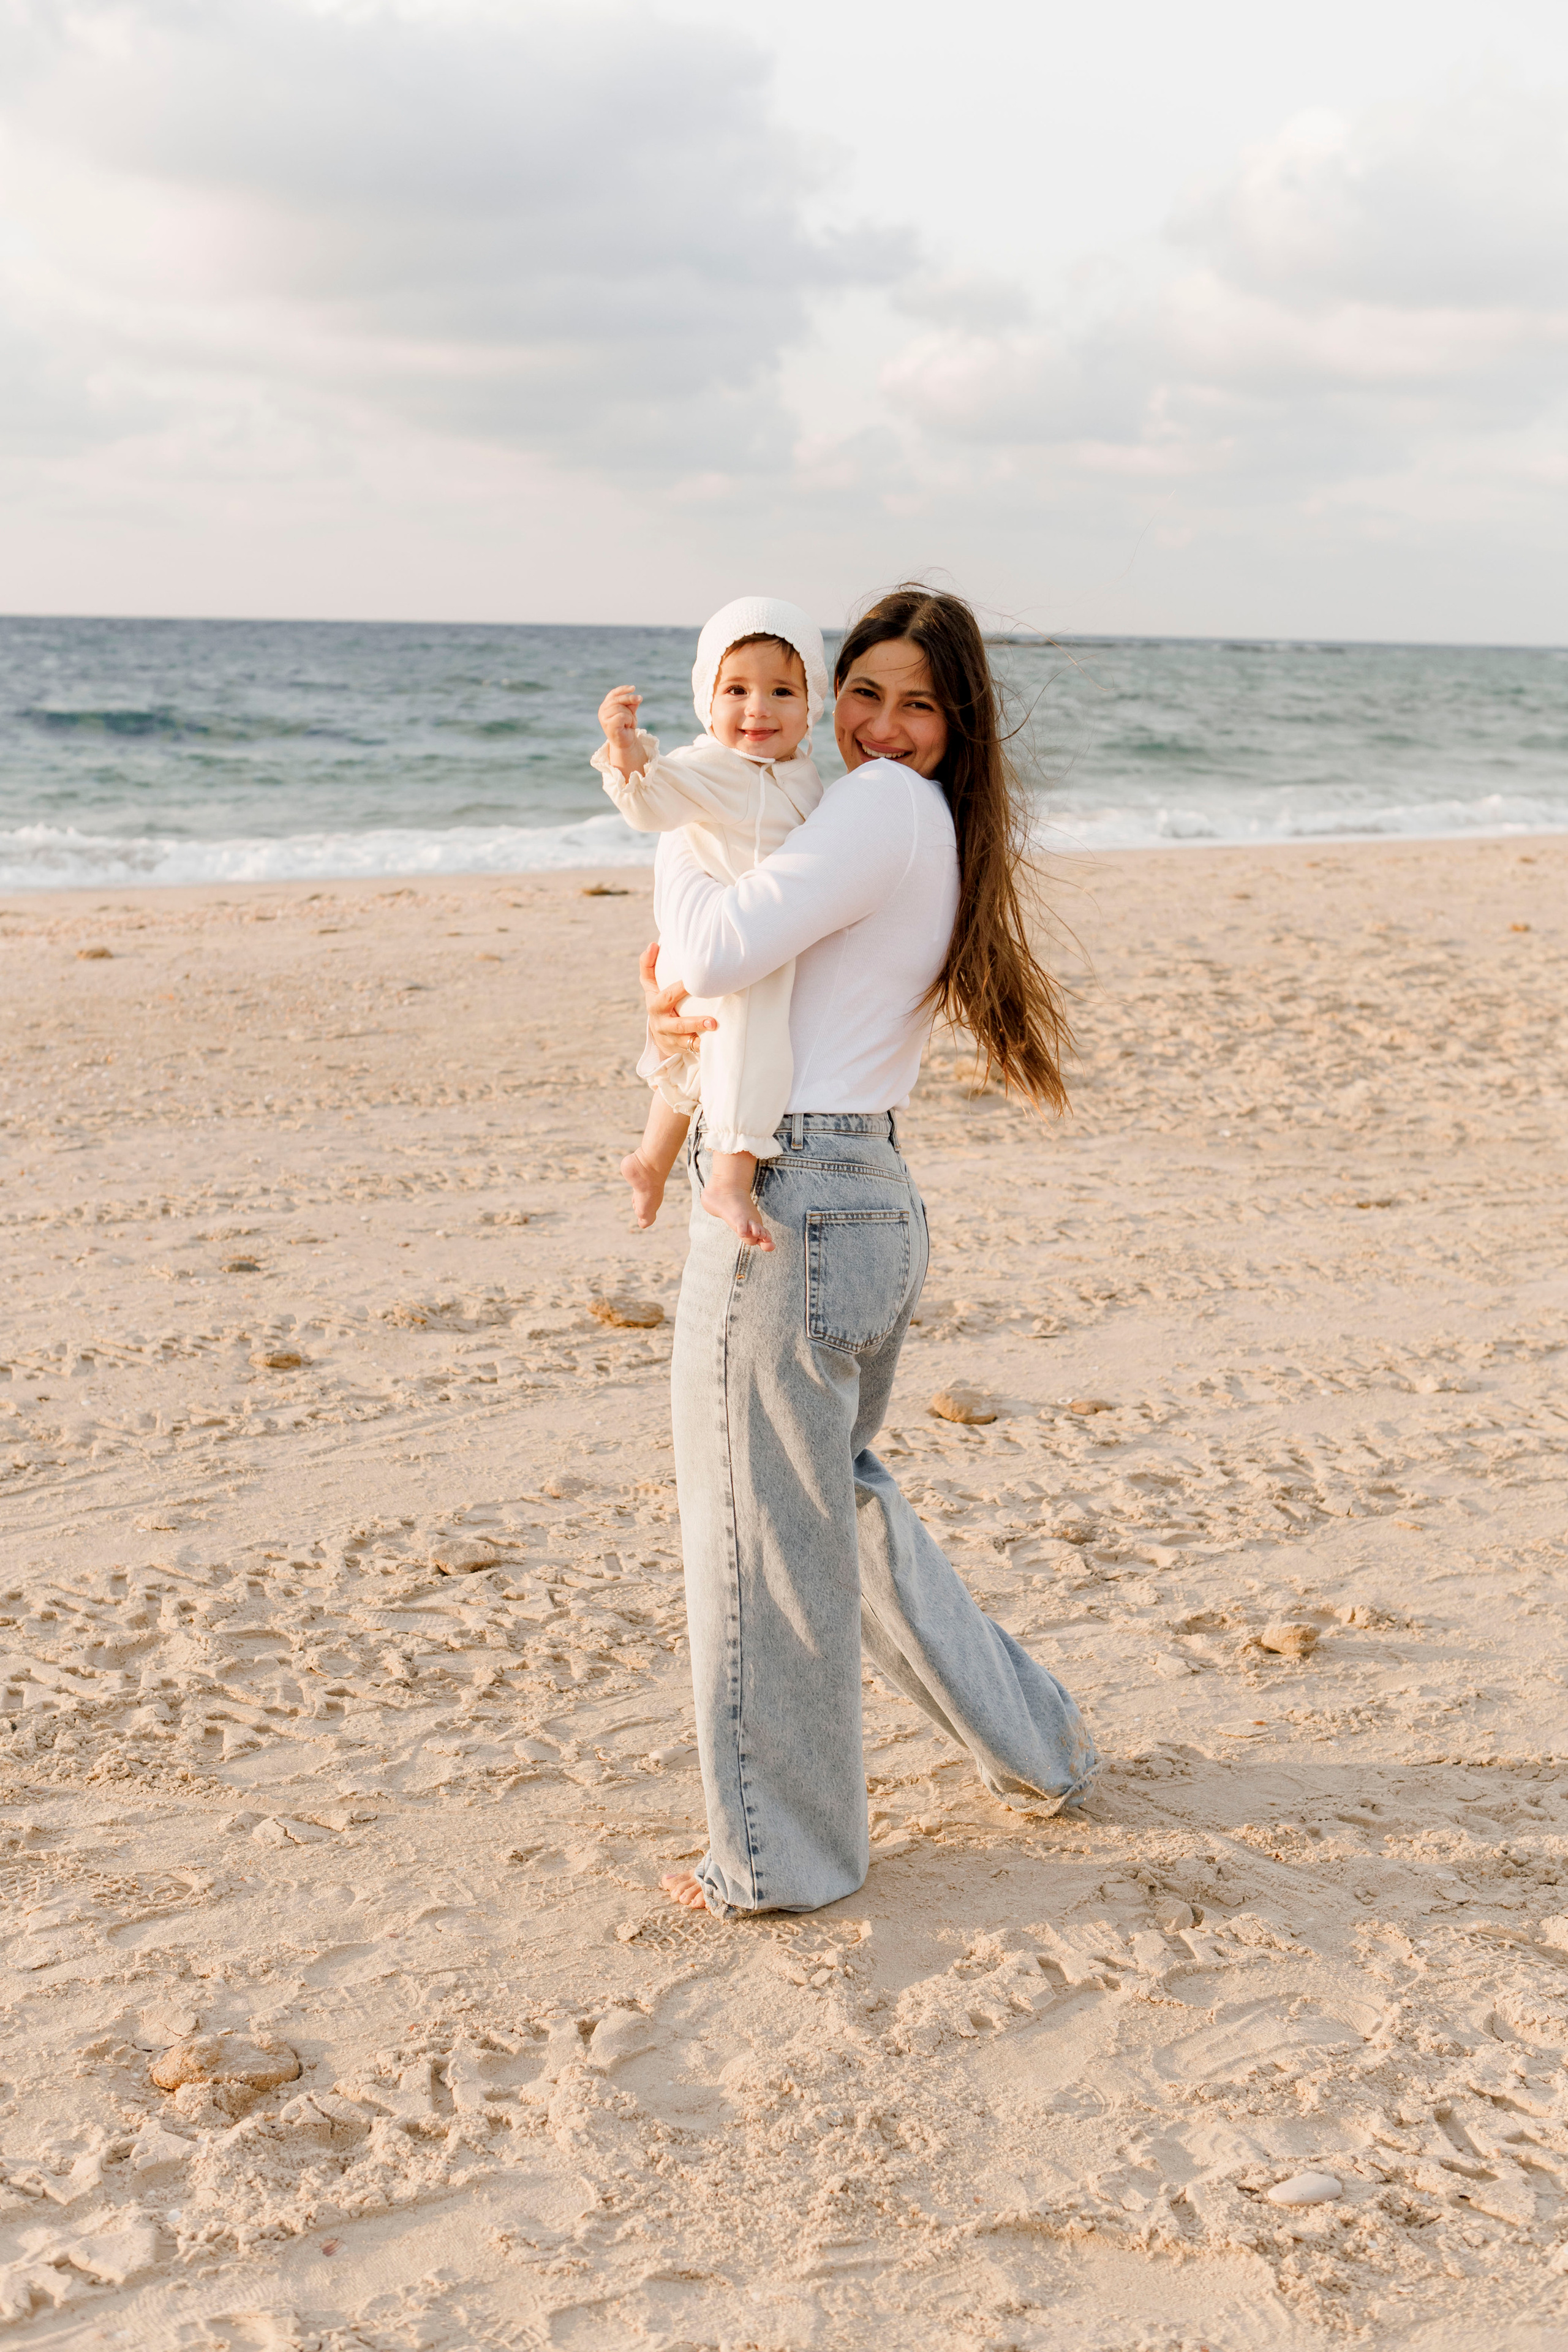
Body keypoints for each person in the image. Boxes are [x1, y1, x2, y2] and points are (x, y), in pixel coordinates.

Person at [635, 584, 1100, 1920]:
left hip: (799, 1195)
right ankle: (1039, 1745)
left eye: (917, 704)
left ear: (956, 728)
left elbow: (711, 947)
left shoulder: (878, 806)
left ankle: (781, 1859)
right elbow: (733, 978)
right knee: (831, 1507)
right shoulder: (909, 822)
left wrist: (673, 829)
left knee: (760, 1534)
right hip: (862, 1191)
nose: (883, 727)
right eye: (864, 693)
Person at [593, 597, 830, 1251]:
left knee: (702, 1053)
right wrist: (625, 748)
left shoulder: (801, 774)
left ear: (813, 704)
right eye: (737, 690)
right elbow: (650, 801)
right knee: (748, 1045)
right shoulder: (712, 765)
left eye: (782, 690)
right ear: (707, 697)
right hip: (725, 941)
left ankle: (650, 1160)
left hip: (740, 935)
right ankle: (730, 1174)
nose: (758, 709)